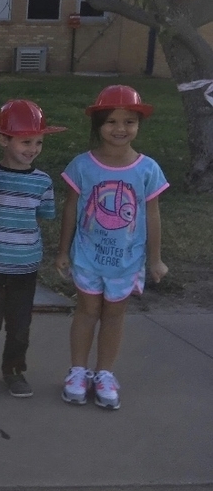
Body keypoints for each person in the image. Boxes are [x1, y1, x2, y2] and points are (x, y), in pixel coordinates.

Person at [55, 85, 168, 410]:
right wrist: (62, 251)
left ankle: (104, 374)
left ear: (138, 125)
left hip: (126, 263)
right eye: (112, 121)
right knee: (87, 312)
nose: (120, 129)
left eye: (129, 121)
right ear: (98, 125)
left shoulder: (147, 169)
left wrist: (155, 260)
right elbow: (71, 209)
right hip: (88, 259)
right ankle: (77, 372)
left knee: (115, 316)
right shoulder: (83, 165)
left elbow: (153, 214)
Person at [0, 100, 64, 398]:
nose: (33, 148)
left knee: (20, 325)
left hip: (25, 265)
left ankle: (14, 370)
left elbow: (42, 216)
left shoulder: (42, 182)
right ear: (3, 139)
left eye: (38, 142)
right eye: (26, 141)